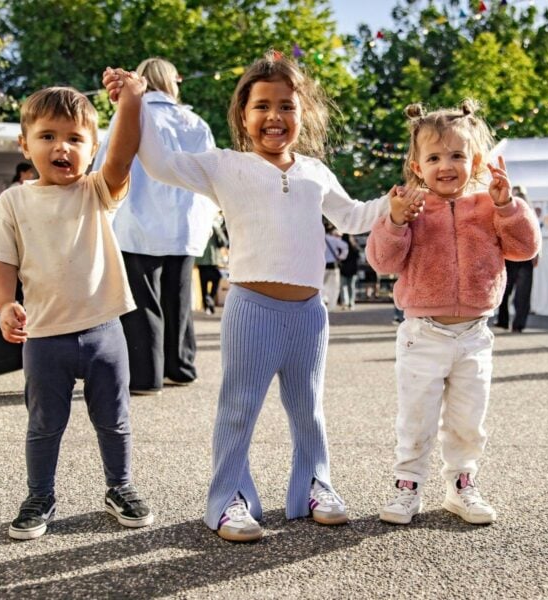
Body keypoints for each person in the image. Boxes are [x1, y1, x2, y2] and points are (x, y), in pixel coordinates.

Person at [105, 51, 397, 542]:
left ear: (303, 113)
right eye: (261, 106)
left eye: (286, 105)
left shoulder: (316, 172)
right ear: (243, 115)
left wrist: (398, 201)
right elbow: (156, 162)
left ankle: (313, 485)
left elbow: (353, 218)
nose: (274, 117)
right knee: (239, 408)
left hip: (309, 313)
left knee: (308, 407)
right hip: (251, 310)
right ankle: (229, 499)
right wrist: (133, 102)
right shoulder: (224, 166)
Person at [0, 79, 153, 540]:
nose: (62, 147)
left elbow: (125, 151)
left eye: (76, 138)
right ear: (25, 144)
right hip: (44, 335)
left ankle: (120, 486)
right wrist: (5, 304)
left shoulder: (97, 191)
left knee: (114, 420)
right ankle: (40, 494)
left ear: (93, 147)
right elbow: (1, 261)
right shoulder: (13, 200)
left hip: (104, 331)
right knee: (45, 424)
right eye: (48, 136)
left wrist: (130, 101)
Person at [366, 100, 540, 526]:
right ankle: (408, 486)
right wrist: (395, 221)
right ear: (416, 165)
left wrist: (507, 207)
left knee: (468, 419)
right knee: (417, 417)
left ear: (476, 160)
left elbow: (524, 248)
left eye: (458, 155)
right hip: (422, 333)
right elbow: (383, 262)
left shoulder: (488, 205)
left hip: (474, 335)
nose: (447, 165)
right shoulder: (409, 206)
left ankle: (462, 485)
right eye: (435, 157)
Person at [94, 58, 217, 396]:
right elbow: (209, 173)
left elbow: (107, 161)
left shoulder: (131, 115)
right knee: (178, 297)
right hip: (185, 222)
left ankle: (146, 375)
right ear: (171, 81)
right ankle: (181, 366)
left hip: (136, 218)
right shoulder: (195, 122)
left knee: (142, 300)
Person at [495, 185, 539, 332]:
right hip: (512, 258)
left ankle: (516, 324)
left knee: (521, 293)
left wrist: (537, 253)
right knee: (506, 292)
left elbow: (536, 236)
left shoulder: (528, 213)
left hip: (523, 259)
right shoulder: (507, 212)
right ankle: (506, 321)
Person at [196, 215, 228, 314]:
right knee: (217, 277)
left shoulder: (199, 224)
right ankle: (210, 297)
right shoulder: (214, 225)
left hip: (200, 259)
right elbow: (223, 241)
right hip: (212, 259)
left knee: (203, 284)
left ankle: (207, 306)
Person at [323, 224, 348, 311]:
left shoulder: (319, 239)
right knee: (334, 287)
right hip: (333, 266)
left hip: (322, 266)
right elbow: (345, 246)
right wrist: (341, 257)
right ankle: (331, 306)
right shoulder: (333, 239)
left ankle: (322, 301)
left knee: (321, 286)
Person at [339, 233, 361, 310]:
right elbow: (358, 256)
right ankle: (351, 303)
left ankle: (345, 302)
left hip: (343, 269)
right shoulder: (354, 246)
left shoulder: (341, 246)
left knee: (343, 287)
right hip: (353, 269)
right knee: (351, 287)